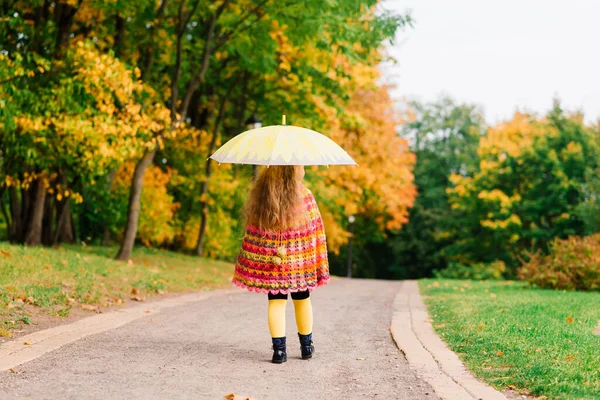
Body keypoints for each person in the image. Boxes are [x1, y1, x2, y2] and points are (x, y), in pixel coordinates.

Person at [232, 165, 330, 363]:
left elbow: (255, 231)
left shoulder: (264, 195)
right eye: (300, 165)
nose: (303, 168)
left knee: (276, 302)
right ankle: (307, 347)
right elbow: (315, 229)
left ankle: (279, 352)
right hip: (300, 263)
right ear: (293, 169)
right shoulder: (305, 194)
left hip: (273, 263)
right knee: (302, 299)